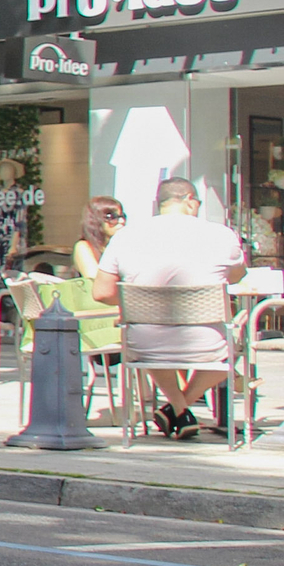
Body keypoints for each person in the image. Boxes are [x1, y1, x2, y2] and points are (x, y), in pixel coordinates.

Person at [93, 178, 248, 439]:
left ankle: (177, 409)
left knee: (149, 332)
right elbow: (235, 276)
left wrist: (142, 302)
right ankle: (179, 407)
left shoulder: (126, 237)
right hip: (207, 343)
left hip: (145, 343)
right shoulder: (221, 235)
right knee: (234, 341)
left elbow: (102, 292)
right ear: (189, 200)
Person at [72, 196, 125, 280]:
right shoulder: (83, 247)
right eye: (112, 217)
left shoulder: (122, 245)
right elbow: (95, 280)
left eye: (123, 216)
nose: (122, 221)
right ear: (96, 220)